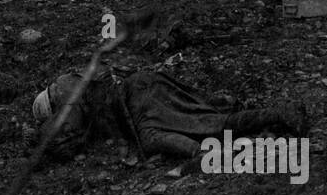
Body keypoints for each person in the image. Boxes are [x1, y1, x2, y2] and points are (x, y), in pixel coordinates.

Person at [32, 66, 307, 162]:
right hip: (142, 87)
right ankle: (277, 113)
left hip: (136, 100)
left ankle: (199, 154)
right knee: (212, 120)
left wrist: (37, 141)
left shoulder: (61, 91)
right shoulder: (74, 83)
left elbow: (62, 135)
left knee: (153, 138)